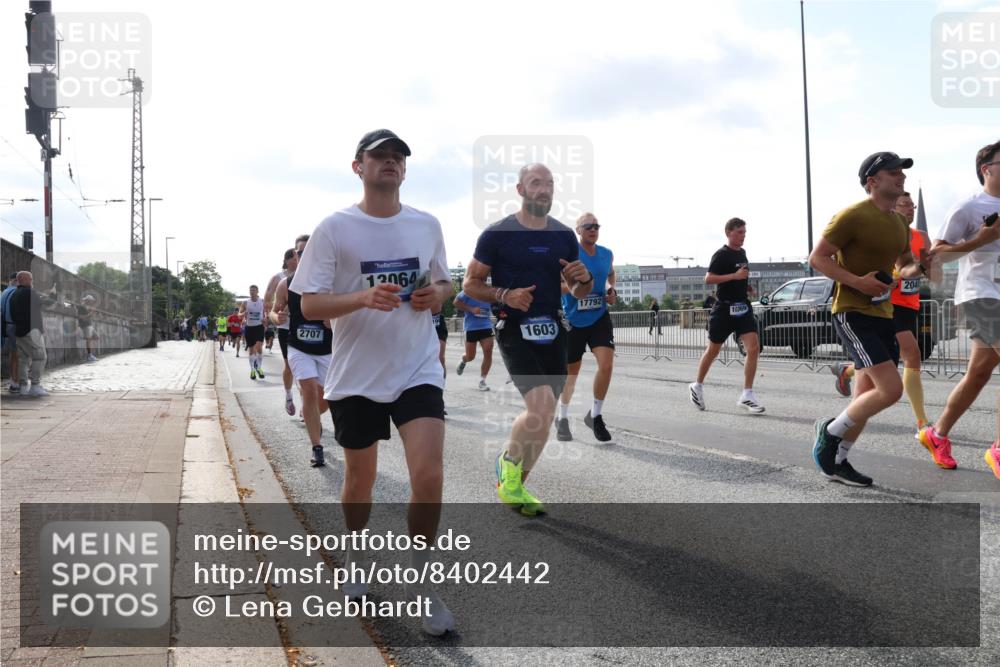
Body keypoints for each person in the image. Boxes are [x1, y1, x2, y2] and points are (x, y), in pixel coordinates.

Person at [291, 129, 454, 635]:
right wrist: (360, 299)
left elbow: (444, 280)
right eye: (379, 156)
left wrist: (437, 295)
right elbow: (310, 304)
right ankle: (356, 557)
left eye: (397, 157)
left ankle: (424, 588)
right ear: (357, 166)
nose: (390, 162)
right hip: (356, 375)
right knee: (359, 482)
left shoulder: (426, 224)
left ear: (405, 170)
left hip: (416, 368)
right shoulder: (336, 228)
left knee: (427, 476)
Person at [463, 162, 592, 517]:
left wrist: (584, 280)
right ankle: (508, 464)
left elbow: (578, 291)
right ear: (520, 190)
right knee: (540, 408)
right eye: (536, 183)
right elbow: (470, 284)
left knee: (546, 417)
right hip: (514, 328)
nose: (544, 189)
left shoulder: (565, 235)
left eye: (549, 183)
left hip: (554, 329)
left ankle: (515, 483)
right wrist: (505, 295)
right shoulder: (497, 234)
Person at [809, 151, 934, 487]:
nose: (901, 176)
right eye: (893, 172)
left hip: (884, 313)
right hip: (852, 311)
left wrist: (920, 267)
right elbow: (817, 258)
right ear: (872, 181)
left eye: (902, 172)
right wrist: (857, 281)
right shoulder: (852, 215)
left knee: (864, 394)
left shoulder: (898, 224)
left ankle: (839, 459)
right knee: (890, 390)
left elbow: (904, 264)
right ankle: (830, 431)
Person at [919, 140, 1000, 471]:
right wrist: (981, 239)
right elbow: (936, 257)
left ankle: (937, 433)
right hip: (980, 293)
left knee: (979, 374)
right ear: (987, 169)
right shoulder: (969, 207)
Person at [830, 192, 940, 431]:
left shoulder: (921, 237)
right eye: (905, 205)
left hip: (911, 304)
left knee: (874, 374)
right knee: (912, 355)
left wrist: (929, 265)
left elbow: (930, 274)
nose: (910, 209)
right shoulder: (883, 232)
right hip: (889, 305)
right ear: (893, 205)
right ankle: (922, 423)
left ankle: (846, 374)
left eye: (913, 206)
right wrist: (890, 276)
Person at [688, 218, 765, 414]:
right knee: (713, 351)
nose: (743, 235)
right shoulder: (721, 254)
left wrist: (746, 285)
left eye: (745, 232)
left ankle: (747, 394)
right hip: (724, 309)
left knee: (754, 348)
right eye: (740, 232)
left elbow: (741, 276)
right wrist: (734, 277)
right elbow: (708, 279)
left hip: (742, 307)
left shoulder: (743, 253)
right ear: (729, 232)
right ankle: (697, 385)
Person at [555, 212, 617, 442]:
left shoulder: (606, 254)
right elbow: (556, 284)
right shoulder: (570, 255)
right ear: (578, 230)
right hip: (573, 319)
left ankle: (596, 415)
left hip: (599, 315)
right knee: (572, 373)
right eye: (588, 226)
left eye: (596, 226)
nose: (593, 230)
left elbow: (611, 274)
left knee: (607, 365)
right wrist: (575, 289)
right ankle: (562, 417)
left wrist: (611, 290)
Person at [275, 236, 332, 467]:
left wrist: (334, 320)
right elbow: (274, 310)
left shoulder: (330, 281)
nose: (304, 255)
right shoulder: (286, 284)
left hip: (327, 348)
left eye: (309, 251)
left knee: (327, 397)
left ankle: (313, 417)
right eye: (299, 252)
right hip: (298, 346)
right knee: (308, 391)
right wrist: (275, 316)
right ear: (295, 256)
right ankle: (317, 447)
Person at [9, 271, 56, 397]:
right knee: (40, 357)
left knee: (23, 359)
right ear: (24, 279)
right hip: (31, 330)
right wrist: (52, 295)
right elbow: (46, 303)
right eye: (31, 279)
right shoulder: (29, 292)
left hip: (19, 331)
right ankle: (35, 386)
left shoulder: (14, 294)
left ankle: (23, 386)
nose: (32, 282)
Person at [269, 247, 302, 416]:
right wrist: (273, 316)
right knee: (290, 366)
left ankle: (307, 406)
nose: (297, 260)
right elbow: (269, 301)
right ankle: (289, 396)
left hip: (306, 326)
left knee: (305, 368)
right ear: (288, 259)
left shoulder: (312, 273)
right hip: (286, 327)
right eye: (295, 257)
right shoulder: (279, 278)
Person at [453, 289, 494, 391]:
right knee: (470, 356)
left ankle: (482, 381)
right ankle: (463, 360)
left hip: (486, 325)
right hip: (471, 327)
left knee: (488, 351)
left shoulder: (490, 289)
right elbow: (456, 302)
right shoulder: (468, 290)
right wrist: (471, 309)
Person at [240, 285, 267, 379]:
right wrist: (243, 314)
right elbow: (239, 314)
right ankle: (252, 370)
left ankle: (259, 367)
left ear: (257, 291)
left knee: (259, 347)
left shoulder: (262, 301)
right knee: (251, 350)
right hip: (249, 327)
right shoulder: (245, 302)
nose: (252, 292)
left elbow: (267, 312)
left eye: (254, 290)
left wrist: (265, 319)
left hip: (259, 327)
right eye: (250, 290)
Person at [1, 273, 20, 392]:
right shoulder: (14, 292)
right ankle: (15, 382)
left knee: (14, 355)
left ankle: (14, 381)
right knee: (17, 356)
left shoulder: (4, 292)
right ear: (16, 280)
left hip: (5, 326)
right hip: (13, 326)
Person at [78, 294, 99, 362]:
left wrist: (91, 312)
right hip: (85, 325)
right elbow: (81, 317)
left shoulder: (86, 307)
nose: (92, 302)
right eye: (91, 301)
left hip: (89, 325)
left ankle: (89, 354)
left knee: (96, 337)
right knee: (89, 340)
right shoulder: (81, 307)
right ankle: (89, 356)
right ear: (87, 300)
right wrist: (90, 314)